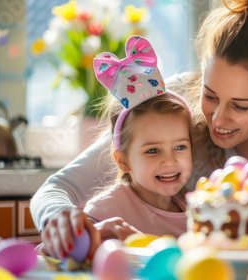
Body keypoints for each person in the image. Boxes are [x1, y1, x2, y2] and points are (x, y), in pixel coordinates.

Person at [32, 0, 248, 260]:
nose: (217, 119)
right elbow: (57, 188)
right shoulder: (172, 106)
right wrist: (60, 217)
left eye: (241, 106)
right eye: (210, 95)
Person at [39, 36, 194, 260]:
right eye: (153, 150)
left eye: (180, 147)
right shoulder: (105, 212)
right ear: (123, 160)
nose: (170, 161)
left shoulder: (194, 210)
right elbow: (54, 257)